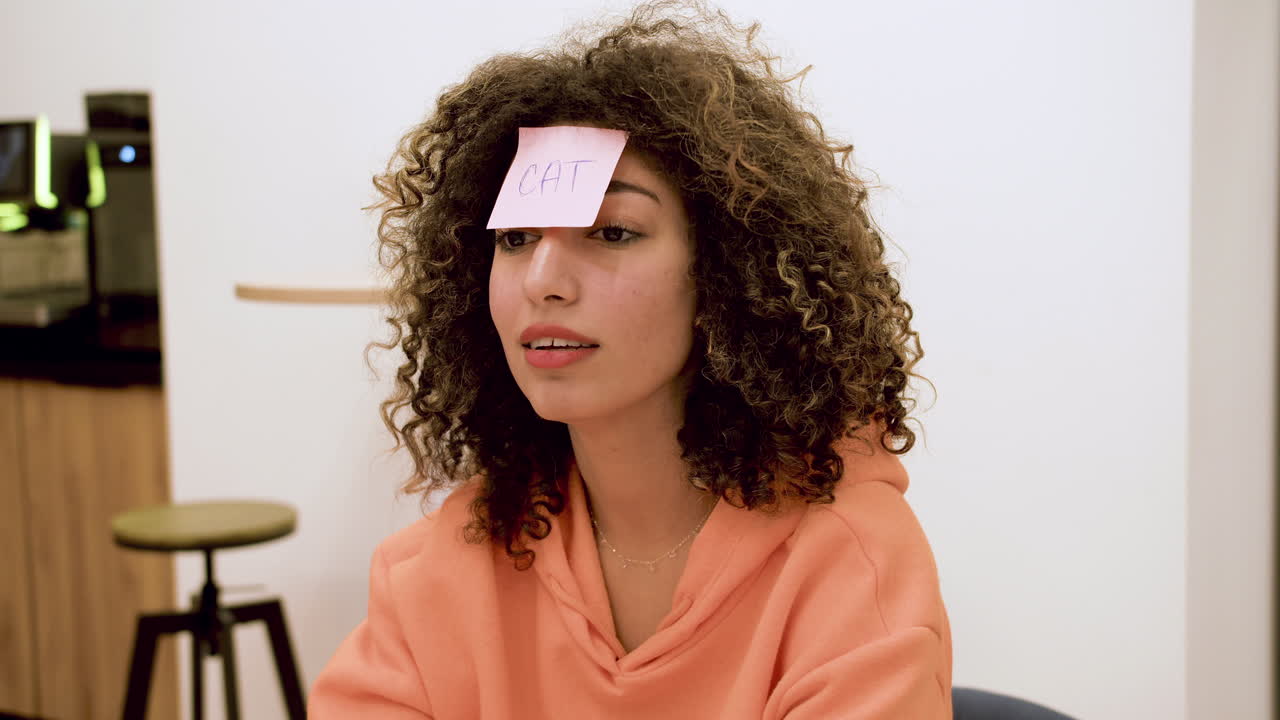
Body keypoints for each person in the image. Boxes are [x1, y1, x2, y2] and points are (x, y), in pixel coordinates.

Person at [310, 1, 951, 717]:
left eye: (612, 233)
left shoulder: (850, 561)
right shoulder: (436, 571)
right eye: (515, 238)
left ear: (725, 272)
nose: (543, 279)